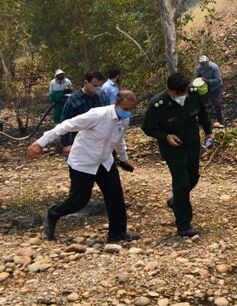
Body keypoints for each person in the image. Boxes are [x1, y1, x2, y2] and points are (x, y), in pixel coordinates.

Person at [25, 90, 139, 242]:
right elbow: (66, 125)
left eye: (132, 109)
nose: (128, 113)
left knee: (116, 196)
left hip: (104, 161)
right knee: (79, 200)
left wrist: (124, 159)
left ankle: (117, 233)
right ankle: (54, 213)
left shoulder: (124, 119)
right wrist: (40, 143)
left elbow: (119, 139)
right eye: (126, 109)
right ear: (116, 104)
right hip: (83, 162)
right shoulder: (97, 115)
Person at [142, 73, 213, 237]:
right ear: (170, 90)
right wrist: (165, 136)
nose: (183, 96)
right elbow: (147, 127)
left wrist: (209, 132)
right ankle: (184, 224)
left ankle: (176, 201)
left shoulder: (193, 93)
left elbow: (202, 113)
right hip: (173, 149)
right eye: (179, 94)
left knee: (193, 177)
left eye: (185, 92)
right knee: (181, 183)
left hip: (192, 144)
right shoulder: (158, 105)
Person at [60, 71, 107, 156]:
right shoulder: (74, 100)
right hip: (81, 144)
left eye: (100, 86)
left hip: (101, 142)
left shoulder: (102, 95)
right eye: (95, 86)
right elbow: (65, 122)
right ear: (86, 83)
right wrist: (66, 145)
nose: (98, 88)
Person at [194, 55, 224, 128]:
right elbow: (197, 78)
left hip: (216, 88)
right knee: (204, 104)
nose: (202, 64)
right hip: (205, 88)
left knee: (217, 103)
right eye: (201, 63)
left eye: (204, 63)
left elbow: (218, 80)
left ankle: (220, 120)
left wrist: (208, 81)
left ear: (207, 62)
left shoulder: (214, 67)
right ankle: (207, 121)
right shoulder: (199, 68)